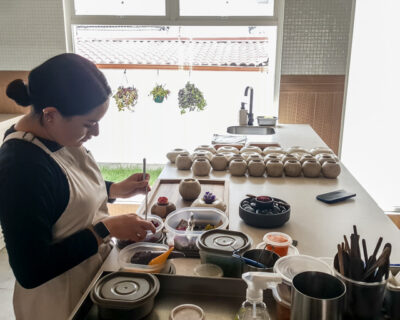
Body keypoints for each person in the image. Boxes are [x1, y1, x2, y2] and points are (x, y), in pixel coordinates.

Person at [0, 53, 156, 320]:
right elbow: (30, 270)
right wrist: (106, 229)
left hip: (89, 280)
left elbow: (63, 191)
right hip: (58, 304)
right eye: (89, 124)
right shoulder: (20, 168)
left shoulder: (57, 135)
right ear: (50, 115)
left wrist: (114, 189)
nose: (95, 133)